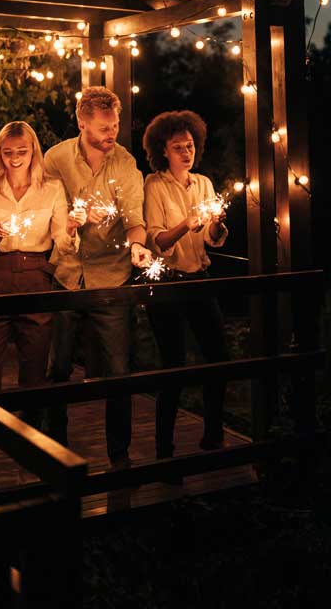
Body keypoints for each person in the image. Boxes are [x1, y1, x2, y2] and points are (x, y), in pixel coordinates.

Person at [43, 86, 152, 469]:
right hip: (67, 274)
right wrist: (71, 220)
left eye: (116, 125)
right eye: (104, 126)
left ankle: (118, 456)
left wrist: (139, 246)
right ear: (81, 122)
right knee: (57, 369)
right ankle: (54, 449)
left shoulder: (125, 164)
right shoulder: (55, 159)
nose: (112, 133)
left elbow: (136, 221)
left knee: (119, 371)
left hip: (112, 276)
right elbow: (45, 214)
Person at [0, 121, 79, 481]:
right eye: (7, 151)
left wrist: (73, 232)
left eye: (22, 150)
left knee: (34, 381)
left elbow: (61, 240)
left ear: (33, 150)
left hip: (35, 278)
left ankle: (30, 466)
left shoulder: (52, 188)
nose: (15, 158)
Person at [143, 109, 229, 459]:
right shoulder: (153, 185)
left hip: (199, 279)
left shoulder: (204, 184)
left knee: (219, 358)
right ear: (163, 150)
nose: (186, 152)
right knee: (173, 366)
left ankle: (214, 434)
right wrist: (186, 224)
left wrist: (218, 227)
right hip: (167, 283)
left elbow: (212, 238)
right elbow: (157, 241)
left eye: (190, 145)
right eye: (178, 146)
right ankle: (165, 449)